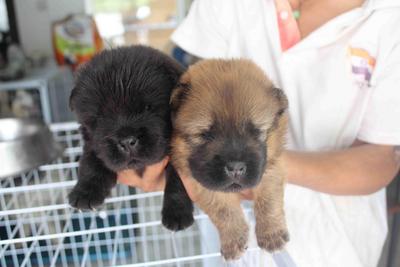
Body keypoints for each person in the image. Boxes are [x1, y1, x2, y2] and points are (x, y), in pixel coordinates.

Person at [118, 0, 400, 266]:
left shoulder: (388, 18)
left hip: (336, 247)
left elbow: (382, 158)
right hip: (230, 240)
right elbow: (183, 98)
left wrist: (263, 166)